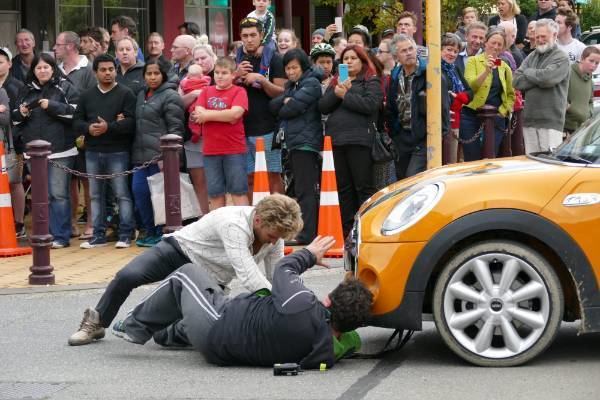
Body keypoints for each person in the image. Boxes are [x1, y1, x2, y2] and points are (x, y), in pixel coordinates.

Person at [67, 193, 302, 346]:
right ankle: (96, 324)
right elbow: (248, 274)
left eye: (278, 238)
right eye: (272, 236)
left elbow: (276, 275)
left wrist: (293, 301)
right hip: (179, 251)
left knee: (190, 332)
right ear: (259, 220)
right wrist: (281, 308)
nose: (274, 242)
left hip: (212, 277)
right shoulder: (234, 224)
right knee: (128, 276)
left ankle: (166, 330)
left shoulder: (275, 236)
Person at [113, 236, 373, 370]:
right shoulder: (339, 347)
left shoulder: (302, 304)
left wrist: (309, 255)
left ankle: (134, 327)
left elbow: (284, 269)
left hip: (219, 324)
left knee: (187, 274)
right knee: (182, 321)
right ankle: (164, 333)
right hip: (227, 347)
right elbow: (352, 337)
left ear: (327, 299)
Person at [12, 53, 80, 249]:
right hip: (33, 151)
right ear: (33, 71)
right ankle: (45, 233)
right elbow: (15, 120)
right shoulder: (25, 90)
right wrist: (22, 113)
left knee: (58, 193)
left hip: (61, 150)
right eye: (38, 68)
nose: (42, 71)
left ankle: (61, 235)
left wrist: (52, 106)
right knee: (42, 195)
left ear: (53, 68)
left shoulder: (64, 86)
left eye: (46, 67)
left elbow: (75, 112)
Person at [73, 54, 136, 249]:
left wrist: (109, 127)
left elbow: (132, 122)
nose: (108, 73)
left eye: (111, 69)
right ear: (95, 72)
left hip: (118, 151)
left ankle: (125, 233)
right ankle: (98, 235)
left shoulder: (126, 94)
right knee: (95, 195)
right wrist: (88, 129)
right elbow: (76, 122)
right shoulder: (86, 95)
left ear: (115, 70)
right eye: (103, 70)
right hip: (92, 151)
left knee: (121, 193)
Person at [319, 45, 382, 238]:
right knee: (343, 189)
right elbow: (323, 107)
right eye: (345, 58)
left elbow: (370, 105)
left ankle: (366, 228)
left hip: (360, 141)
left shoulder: (370, 81)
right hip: (337, 142)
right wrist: (338, 91)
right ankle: (347, 231)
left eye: (353, 58)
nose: (348, 61)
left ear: (362, 61)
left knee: (362, 187)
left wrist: (346, 95)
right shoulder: (337, 82)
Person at [270, 49, 323, 245]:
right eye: (288, 68)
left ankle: (307, 234)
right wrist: (285, 100)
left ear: (303, 66)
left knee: (306, 190)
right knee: (298, 188)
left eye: (294, 67)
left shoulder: (311, 83)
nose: (291, 72)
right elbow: (273, 106)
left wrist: (286, 104)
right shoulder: (292, 86)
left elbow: (291, 109)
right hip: (293, 142)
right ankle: (302, 231)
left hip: (306, 143)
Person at [131, 59, 184, 247]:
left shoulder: (170, 96)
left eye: (156, 73)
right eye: (148, 74)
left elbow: (176, 128)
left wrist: (169, 157)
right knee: (140, 193)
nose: (152, 77)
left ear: (163, 74)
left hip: (161, 157)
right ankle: (149, 230)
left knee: (160, 197)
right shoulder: (141, 94)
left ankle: (162, 232)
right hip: (140, 156)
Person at [235, 17, 286, 199]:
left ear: (261, 35)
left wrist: (262, 80)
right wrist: (236, 75)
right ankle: (253, 219)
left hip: (268, 128)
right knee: (249, 177)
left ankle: (280, 219)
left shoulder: (274, 58)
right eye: (245, 35)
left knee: (272, 175)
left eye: (253, 35)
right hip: (242, 129)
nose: (249, 39)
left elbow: (282, 93)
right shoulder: (237, 60)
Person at [188, 57, 249, 210]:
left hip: (234, 150)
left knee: (238, 192)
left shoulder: (239, 91)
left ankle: (245, 229)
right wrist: (224, 115)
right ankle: (218, 230)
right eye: (217, 72)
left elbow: (235, 114)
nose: (220, 76)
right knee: (215, 194)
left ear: (233, 75)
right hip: (210, 151)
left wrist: (208, 115)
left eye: (224, 73)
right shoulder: (206, 91)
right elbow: (198, 113)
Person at [53, 30, 97, 241]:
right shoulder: (56, 70)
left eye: (58, 45)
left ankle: (90, 222)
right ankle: (70, 222)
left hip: (82, 132)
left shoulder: (88, 69)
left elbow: (92, 100)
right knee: (68, 180)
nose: (55, 48)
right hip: (63, 134)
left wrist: (87, 130)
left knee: (86, 178)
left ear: (70, 46)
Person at [387, 34, 450, 178]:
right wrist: (394, 134)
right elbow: (391, 108)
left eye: (411, 49)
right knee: (401, 180)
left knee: (413, 178)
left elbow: (444, 108)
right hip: (402, 136)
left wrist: (439, 135)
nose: (409, 53)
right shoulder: (395, 75)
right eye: (403, 51)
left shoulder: (431, 73)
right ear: (396, 57)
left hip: (424, 137)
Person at [514, 19, 571, 154]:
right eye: (537, 36)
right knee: (532, 165)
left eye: (543, 36)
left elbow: (547, 79)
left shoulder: (561, 57)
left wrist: (527, 72)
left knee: (550, 165)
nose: (539, 39)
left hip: (550, 121)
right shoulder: (532, 56)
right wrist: (539, 77)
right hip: (529, 119)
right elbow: (516, 80)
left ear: (555, 35)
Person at [460, 29, 515, 161]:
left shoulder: (504, 66)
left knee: (490, 156)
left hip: (495, 118)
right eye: (493, 43)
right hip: (472, 114)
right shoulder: (473, 61)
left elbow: (510, 94)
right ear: (486, 43)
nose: (495, 47)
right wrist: (486, 71)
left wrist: (503, 110)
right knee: (472, 157)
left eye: (499, 45)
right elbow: (470, 86)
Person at [0, 48, 26, 238]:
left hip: (13, 142)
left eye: (1, 61)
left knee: (15, 182)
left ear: (9, 63)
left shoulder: (16, 86)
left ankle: (19, 222)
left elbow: (14, 116)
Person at [441, 33, 472, 165]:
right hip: (439, 121)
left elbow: (470, 92)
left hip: (455, 122)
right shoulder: (433, 69)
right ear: (440, 49)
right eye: (449, 49)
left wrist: (459, 98)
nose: (452, 54)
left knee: (452, 160)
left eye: (455, 51)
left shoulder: (456, 69)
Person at [564, 46, 600, 135]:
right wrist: (570, 108)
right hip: (565, 129)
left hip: (581, 130)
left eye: (597, 63)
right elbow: (559, 96)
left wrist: (589, 113)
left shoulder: (590, 81)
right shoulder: (568, 73)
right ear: (582, 59)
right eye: (591, 61)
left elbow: (590, 101)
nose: (594, 65)